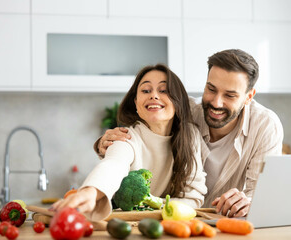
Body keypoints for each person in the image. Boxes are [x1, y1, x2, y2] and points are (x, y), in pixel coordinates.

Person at [95, 49, 284, 218]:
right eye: (211, 89)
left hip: (226, 223)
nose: (216, 103)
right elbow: (146, 135)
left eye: (230, 95)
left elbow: (260, 196)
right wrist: (105, 144)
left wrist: (249, 202)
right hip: (179, 220)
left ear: (248, 97)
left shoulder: (265, 126)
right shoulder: (186, 111)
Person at [51, 64, 207, 221]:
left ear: (178, 101)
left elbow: (193, 199)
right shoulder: (126, 137)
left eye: (163, 90)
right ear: (136, 103)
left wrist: (155, 204)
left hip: (170, 227)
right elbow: (113, 165)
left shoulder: (190, 135)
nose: (154, 95)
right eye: (146, 90)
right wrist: (90, 191)